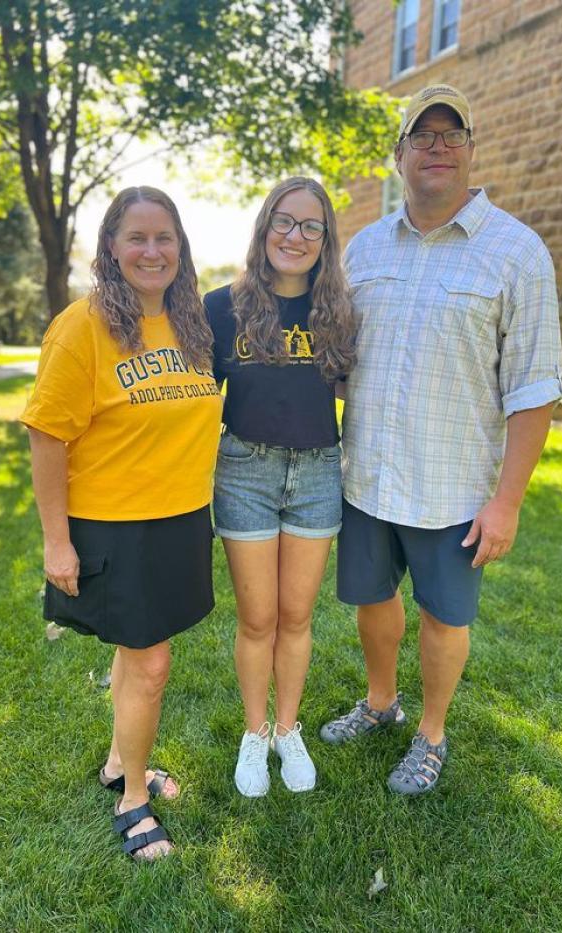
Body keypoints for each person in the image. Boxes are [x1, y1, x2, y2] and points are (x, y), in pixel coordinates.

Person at [320, 85, 562, 794]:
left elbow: (532, 389)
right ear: (399, 156)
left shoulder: (517, 253)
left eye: (450, 132)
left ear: (469, 150)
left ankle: (430, 731)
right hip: (367, 474)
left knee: (442, 615)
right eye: (421, 135)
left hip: (455, 486)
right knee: (372, 600)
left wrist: (507, 502)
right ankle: (379, 701)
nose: (436, 145)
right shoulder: (363, 251)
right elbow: (335, 365)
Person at [21, 187, 223, 859]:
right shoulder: (81, 327)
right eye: (136, 237)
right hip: (118, 525)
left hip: (183, 518)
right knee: (152, 662)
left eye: (164, 237)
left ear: (181, 247)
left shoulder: (192, 323)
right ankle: (133, 797)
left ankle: (116, 761)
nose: (151, 250)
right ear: (110, 246)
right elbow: (47, 436)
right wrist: (57, 541)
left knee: (143, 653)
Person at [205, 177, 356, 796]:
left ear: (325, 239)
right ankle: (254, 731)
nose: (296, 237)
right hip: (244, 470)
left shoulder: (340, 311)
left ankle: (287, 729)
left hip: (317, 471)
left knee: (296, 616)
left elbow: (355, 389)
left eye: (311, 226)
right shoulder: (222, 307)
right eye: (285, 223)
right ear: (265, 227)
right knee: (257, 617)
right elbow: (191, 402)